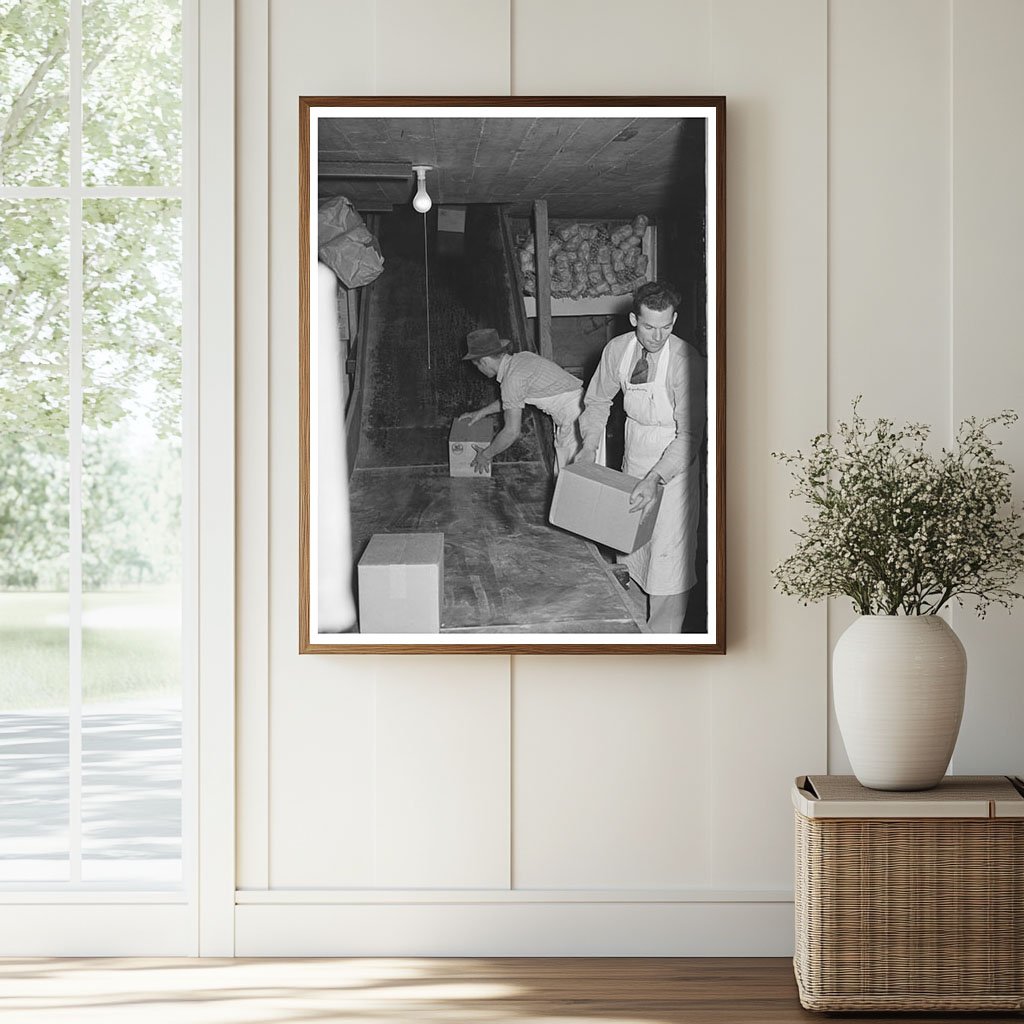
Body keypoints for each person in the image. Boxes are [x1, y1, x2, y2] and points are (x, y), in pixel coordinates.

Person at [576, 281, 704, 633]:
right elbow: (599, 402)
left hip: (673, 471)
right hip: (634, 458)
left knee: (668, 563)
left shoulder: (685, 361)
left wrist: (656, 478)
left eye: (666, 327)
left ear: (674, 320)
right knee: (631, 553)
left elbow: (690, 434)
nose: (657, 336)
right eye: (649, 326)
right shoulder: (618, 351)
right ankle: (634, 635)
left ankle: (664, 644)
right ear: (634, 319)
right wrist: (589, 447)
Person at [459, 327, 584, 475]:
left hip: (576, 422)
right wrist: (481, 412)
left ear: (484, 361)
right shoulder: (521, 359)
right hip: (581, 409)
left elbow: (511, 432)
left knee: (569, 482)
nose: (478, 369)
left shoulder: (512, 379)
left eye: (476, 365)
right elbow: (512, 399)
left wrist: (485, 455)